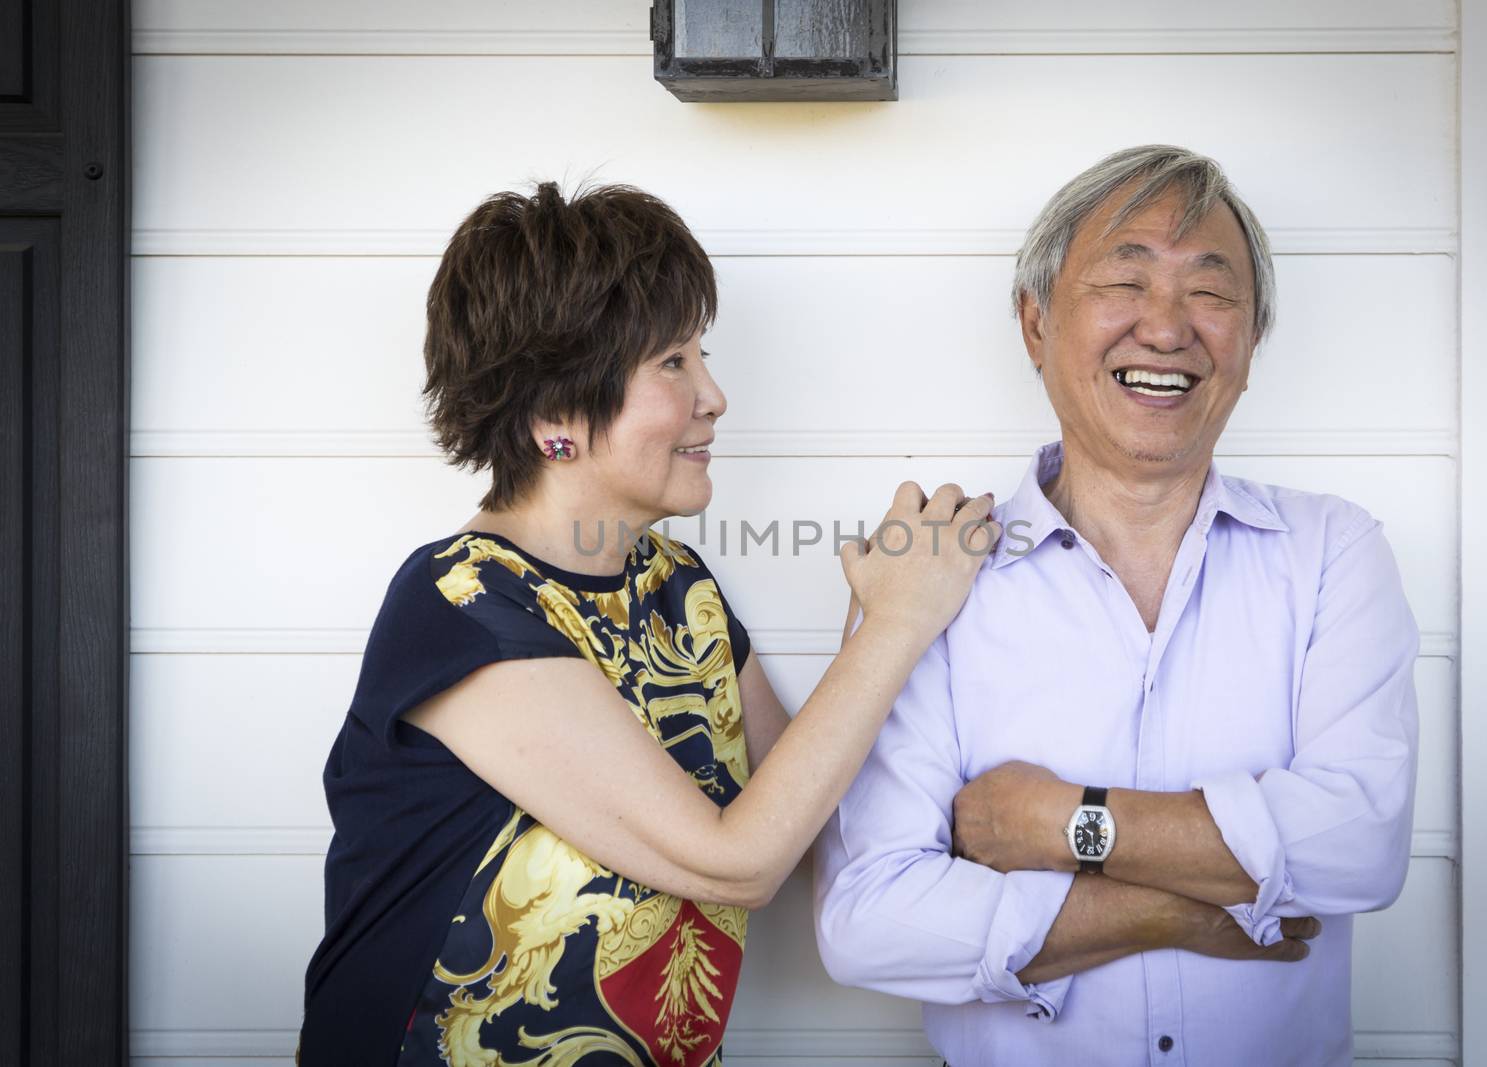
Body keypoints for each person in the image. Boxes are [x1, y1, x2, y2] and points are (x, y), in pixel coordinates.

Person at [295, 182, 1000, 1066]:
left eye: (700, 355)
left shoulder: (678, 585)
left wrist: (871, 617)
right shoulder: (461, 605)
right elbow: (737, 859)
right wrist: (899, 625)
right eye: (672, 363)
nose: (715, 395)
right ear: (554, 415)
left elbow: (810, 811)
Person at [813, 145, 1421, 1065]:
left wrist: (1056, 821)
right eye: (1125, 280)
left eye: (1211, 294)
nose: (1168, 329)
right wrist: (1168, 904)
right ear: (1034, 325)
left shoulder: (1334, 551)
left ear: (1250, 344)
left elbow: (1360, 844)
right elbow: (871, 919)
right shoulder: (933, 572)